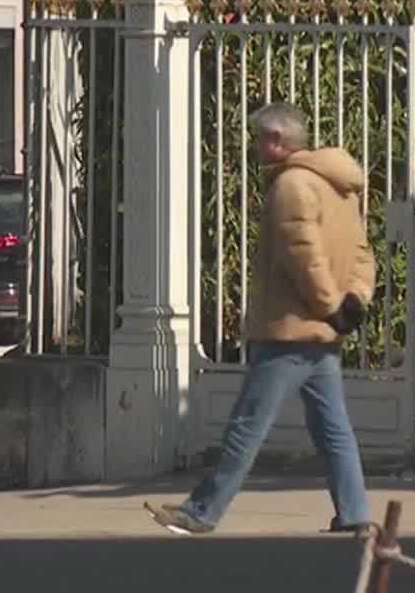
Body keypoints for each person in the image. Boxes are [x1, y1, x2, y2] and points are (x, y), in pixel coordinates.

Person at [144, 102, 376, 535]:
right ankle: (356, 513)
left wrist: (328, 304)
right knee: (333, 430)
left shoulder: (291, 185)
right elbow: (363, 253)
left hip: (289, 330)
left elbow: (302, 256)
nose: (253, 147)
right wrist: (352, 302)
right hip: (323, 332)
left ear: (277, 141)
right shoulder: (340, 186)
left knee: (247, 426)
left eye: (257, 138)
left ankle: (201, 511)